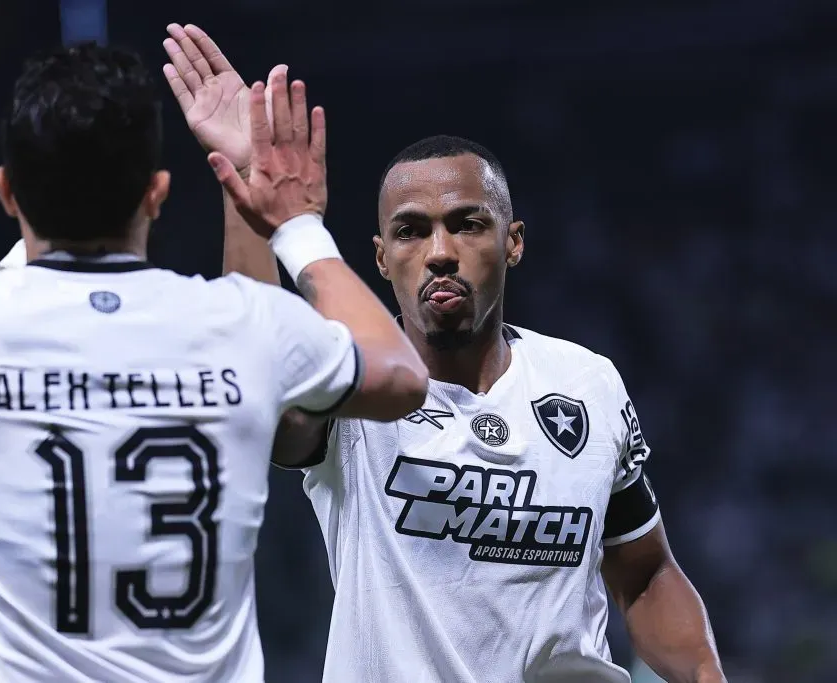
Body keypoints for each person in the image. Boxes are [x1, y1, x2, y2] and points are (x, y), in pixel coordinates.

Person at [163, 24, 727, 683]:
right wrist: (251, 194)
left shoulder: (587, 382)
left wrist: (707, 675)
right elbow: (261, 376)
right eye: (410, 230)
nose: (438, 249)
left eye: (465, 222)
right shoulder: (356, 388)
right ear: (380, 258)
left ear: (512, 241)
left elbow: (646, 570)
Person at [0, 42, 427, 683]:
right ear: (156, 194)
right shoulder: (238, 326)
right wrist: (294, 224)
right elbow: (401, 375)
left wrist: (47, 201)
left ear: (6, 191)